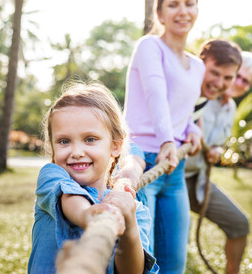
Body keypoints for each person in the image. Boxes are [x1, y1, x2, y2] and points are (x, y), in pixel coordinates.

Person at [27, 81, 159, 274]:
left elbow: (133, 272)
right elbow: (68, 197)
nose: (77, 152)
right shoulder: (51, 176)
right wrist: (86, 216)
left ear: (115, 145)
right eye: (64, 141)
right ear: (53, 147)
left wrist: (129, 224)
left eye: (90, 139)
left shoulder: (135, 210)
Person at [123, 0, 204, 273]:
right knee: (143, 263)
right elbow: (156, 95)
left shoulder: (198, 66)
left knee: (174, 264)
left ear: (197, 10)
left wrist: (192, 131)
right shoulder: (149, 46)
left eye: (189, 3)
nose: (182, 11)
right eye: (173, 4)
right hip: (142, 161)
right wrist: (168, 140)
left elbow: (185, 111)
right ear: (160, 15)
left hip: (174, 169)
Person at [185, 51, 252, 274]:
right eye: (237, 76)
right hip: (173, 177)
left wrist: (217, 151)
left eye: (245, 81)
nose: (238, 83)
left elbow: (217, 144)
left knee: (239, 224)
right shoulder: (200, 94)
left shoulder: (230, 109)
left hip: (199, 179)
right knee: (177, 235)